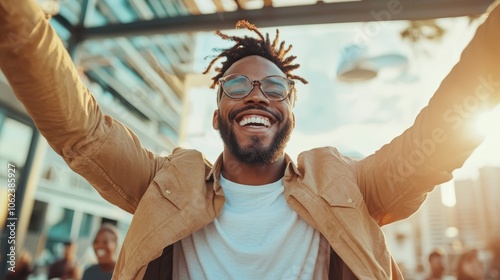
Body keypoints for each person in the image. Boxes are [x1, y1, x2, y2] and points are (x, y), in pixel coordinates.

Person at [1, 0, 500, 279]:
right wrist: (17, 18)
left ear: (290, 112)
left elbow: (434, 142)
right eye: (237, 86)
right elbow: (83, 132)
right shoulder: (164, 184)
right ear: (218, 113)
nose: (256, 96)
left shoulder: (349, 184)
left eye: (274, 87)